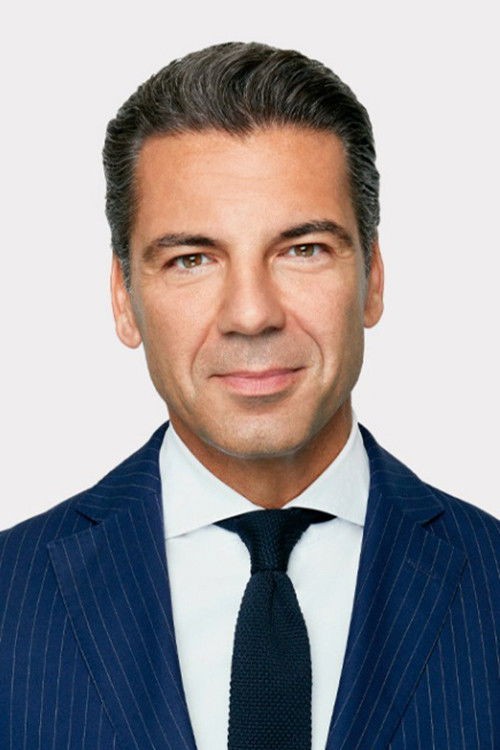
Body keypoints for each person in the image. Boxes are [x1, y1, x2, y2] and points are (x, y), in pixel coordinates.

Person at [0, 42, 497, 750]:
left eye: (303, 249)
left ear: (374, 278)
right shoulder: (10, 596)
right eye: (192, 259)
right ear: (124, 299)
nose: (252, 313)